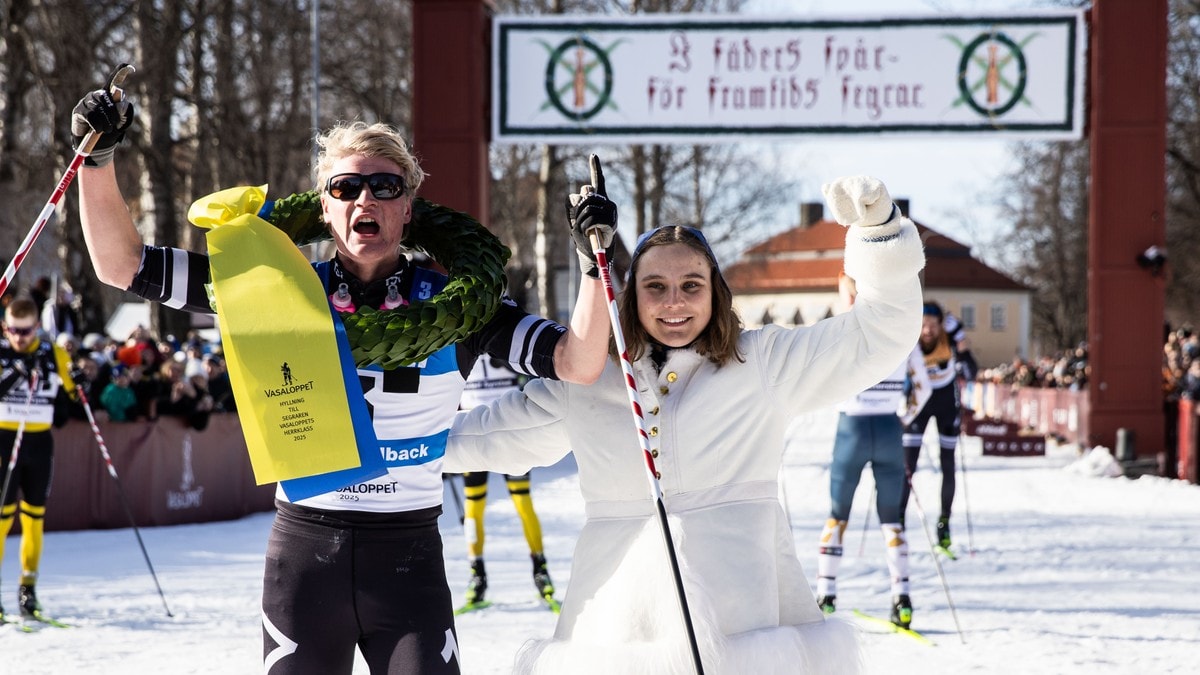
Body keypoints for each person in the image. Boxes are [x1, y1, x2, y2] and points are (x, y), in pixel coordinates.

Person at [71, 88, 615, 673]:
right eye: (345, 188)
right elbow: (121, 263)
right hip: (306, 556)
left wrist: (594, 262)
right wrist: (96, 159)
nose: (366, 200)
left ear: (409, 209)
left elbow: (576, 362)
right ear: (324, 208)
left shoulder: (460, 304)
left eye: (386, 188)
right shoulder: (271, 292)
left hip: (407, 559)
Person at [447, 176, 925, 674]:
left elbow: (878, 333)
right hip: (618, 630)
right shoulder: (591, 380)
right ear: (631, 296)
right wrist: (387, 439)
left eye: (691, 286)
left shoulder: (762, 363)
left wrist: (878, 233)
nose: (674, 302)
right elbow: (487, 436)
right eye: (655, 287)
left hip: (745, 629)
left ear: (716, 293)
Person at [814, 273, 931, 630]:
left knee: (838, 513)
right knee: (892, 518)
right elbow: (924, 387)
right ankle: (902, 598)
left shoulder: (843, 329)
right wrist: (905, 418)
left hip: (851, 425)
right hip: (888, 426)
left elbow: (817, 378)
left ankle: (826, 594)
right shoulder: (903, 332)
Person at [454, 356, 556, 611]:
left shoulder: (499, 333)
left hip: (509, 435)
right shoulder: (458, 340)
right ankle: (477, 575)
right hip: (471, 436)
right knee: (473, 509)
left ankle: (540, 571)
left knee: (523, 503)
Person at [0, 297, 78, 622]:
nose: (20, 337)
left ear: (37, 328)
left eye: (27, 331)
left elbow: (72, 397)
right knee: (2, 519)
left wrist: (76, 390)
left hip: (38, 442)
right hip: (4, 441)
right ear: (5, 327)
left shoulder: (53, 354)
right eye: (15, 331)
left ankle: (28, 590)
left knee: (34, 517)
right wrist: (16, 374)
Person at [899, 301, 978, 554]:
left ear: (941, 325)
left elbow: (972, 371)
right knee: (908, 465)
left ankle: (944, 523)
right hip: (920, 404)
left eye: (932, 325)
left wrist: (962, 343)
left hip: (946, 403)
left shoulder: (949, 339)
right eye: (923, 324)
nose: (927, 330)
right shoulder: (911, 339)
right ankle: (898, 523)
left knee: (948, 464)